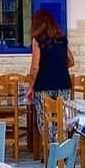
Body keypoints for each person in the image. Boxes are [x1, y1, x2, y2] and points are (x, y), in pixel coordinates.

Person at [27, 8, 74, 141]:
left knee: (45, 119)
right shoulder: (62, 40)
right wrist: (57, 67)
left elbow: (35, 67)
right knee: (61, 118)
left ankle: (51, 150)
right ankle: (62, 150)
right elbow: (71, 61)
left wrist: (30, 87)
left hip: (43, 85)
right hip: (63, 83)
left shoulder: (38, 41)